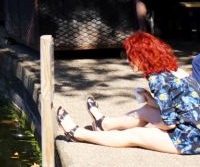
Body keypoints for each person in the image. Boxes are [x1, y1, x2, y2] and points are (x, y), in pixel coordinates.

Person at [57, 32, 200, 154]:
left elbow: (169, 124)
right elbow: (182, 107)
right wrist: (151, 101)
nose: (128, 60)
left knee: (135, 135)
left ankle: (78, 134)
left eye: (131, 56)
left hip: (191, 138)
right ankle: (103, 124)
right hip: (193, 126)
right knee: (146, 110)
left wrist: (155, 125)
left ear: (142, 56)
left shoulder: (158, 80)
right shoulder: (174, 71)